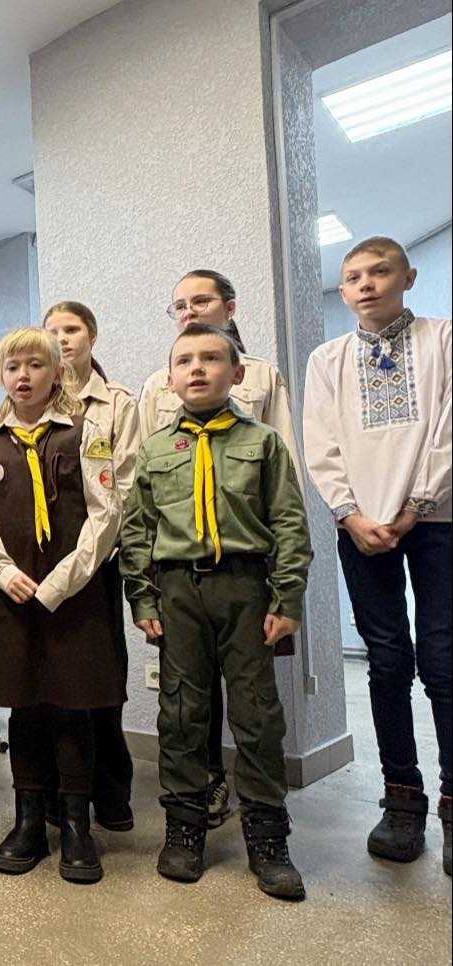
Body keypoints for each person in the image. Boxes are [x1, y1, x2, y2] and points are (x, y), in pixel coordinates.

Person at [121, 323, 312, 901]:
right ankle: (184, 828)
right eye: (185, 361)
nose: (198, 369)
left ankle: (268, 838)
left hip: (245, 588)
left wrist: (287, 598)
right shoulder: (156, 448)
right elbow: (138, 529)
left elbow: (289, 521)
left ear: (237, 372)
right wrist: (142, 597)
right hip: (179, 591)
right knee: (181, 711)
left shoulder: (264, 443)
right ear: (170, 378)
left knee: (257, 713)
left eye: (211, 358)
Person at [302, 236, 451, 878]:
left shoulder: (444, 340)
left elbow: (448, 430)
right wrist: (348, 513)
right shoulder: (327, 359)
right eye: (354, 276)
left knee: (444, 659)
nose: (366, 284)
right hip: (361, 526)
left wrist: (417, 504)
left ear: (407, 276)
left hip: (439, 520)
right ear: (343, 291)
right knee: (388, 661)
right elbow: (320, 441)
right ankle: (402, 797)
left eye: (379, 271)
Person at [0, 328, 122, 883]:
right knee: (23, 705)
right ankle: (28, 820)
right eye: (13, 367)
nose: (23, 376)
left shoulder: (85, 434)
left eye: (35, 365)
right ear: (1, 376)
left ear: (57, 374)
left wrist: (61, 582)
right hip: (11, 596)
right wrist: (3, 573)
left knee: (74, 706)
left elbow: (106, 515)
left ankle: (76, 824)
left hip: (73, 597)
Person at [43, 302, 141, 832]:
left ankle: (110, 787)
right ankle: (58, 789)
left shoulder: (117, 403)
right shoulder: (34, 398)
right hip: (46, 556)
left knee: (101, 674)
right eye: (52, 331)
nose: (62, 339)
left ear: (92, 336)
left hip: (99, 557)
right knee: (52, 675)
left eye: (72, 329)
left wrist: (89, 555)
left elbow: (123, 485)